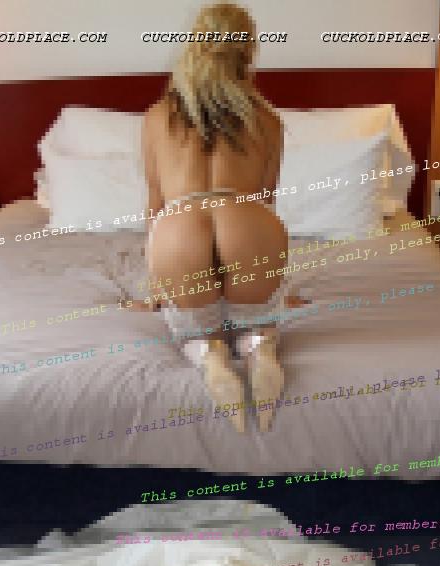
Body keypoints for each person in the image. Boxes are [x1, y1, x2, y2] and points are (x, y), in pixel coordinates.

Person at [142, 2, 297, 433]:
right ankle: (261, 350)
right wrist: (279, 287)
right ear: (248, 51)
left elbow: (155, 204)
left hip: (179, 228)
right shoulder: (267, 120)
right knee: (258, 325)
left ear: (194, 46)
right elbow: (266, 201)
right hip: (247, 221)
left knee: (194, 330)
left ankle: (210, 353)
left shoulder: (158, 116)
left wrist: (156, 284)